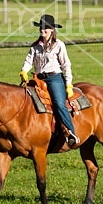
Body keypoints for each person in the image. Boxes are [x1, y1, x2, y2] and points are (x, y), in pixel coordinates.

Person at [19, 14, 80, 147]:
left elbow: (66, 65)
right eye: (41, 27)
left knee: (59, 103)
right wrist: (24, 71)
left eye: (46, 28)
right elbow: (29, 61)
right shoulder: (35, 47)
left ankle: (70, 132)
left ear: (52, 29)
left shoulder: (59, 45)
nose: (42, 30)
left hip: (54, 79)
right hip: (38, 79)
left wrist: (68, 84)